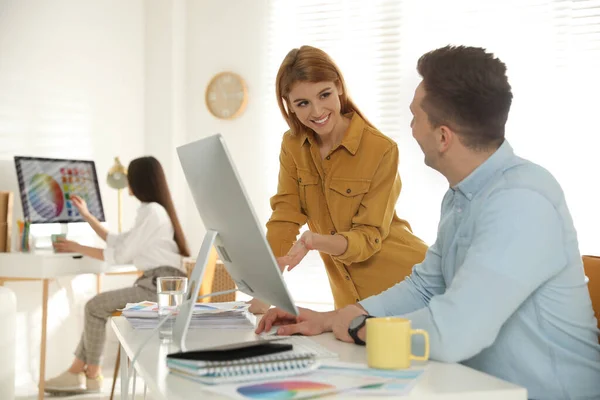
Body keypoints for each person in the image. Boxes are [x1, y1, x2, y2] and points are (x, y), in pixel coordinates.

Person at [256, 45, 600, 399]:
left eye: (415, 118)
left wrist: (359, 327)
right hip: (477, 385)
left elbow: (454, 331)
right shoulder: (461, 198)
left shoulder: (522, 200)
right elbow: (424, 286)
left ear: (443, 136)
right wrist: (330, 319)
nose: (411, 129)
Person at [250, 45, 428, 313]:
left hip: (406, 287)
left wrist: (317, 241)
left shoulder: (381, 149)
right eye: (302, 103)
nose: (317, 111)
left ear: (339, 87)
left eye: (324, 95)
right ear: (289, 105)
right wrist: (264, 289)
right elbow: (285, 216)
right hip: (349, 303)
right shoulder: (293, 145)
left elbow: (368, 238)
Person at [44, 156, 190, 394]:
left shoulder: (152, 212)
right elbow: (117, 241)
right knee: (97, 308)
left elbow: (120, 254)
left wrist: (76, 247)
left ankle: (90, 374)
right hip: (159, 284)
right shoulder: (152, 211)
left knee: (94, 306)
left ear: (137, 181)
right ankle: (77, 371)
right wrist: (87, 215)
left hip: (159, 288)